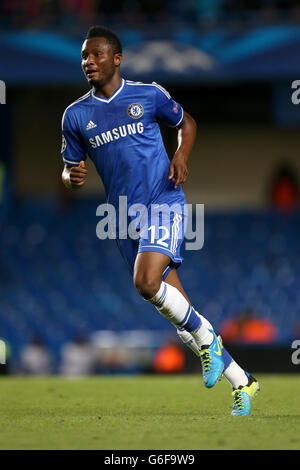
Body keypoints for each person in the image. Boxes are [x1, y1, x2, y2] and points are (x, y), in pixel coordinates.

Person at [60, 25, 259, 415]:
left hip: (162, 200)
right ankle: (243, 382)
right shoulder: (75, 115)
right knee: (176, 308)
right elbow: (68, 170)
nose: (88, 62)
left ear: (117, 59)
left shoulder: (148, 95)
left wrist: (181, 155)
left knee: (146, 282)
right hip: (121, 218)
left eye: (96, 54)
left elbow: (187, 123)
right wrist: (71, 178)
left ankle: (211, 346)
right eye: (84, 56)